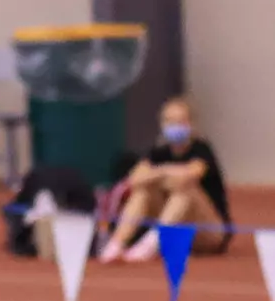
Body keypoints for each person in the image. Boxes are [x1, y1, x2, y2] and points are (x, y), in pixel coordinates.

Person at [98, 97, 231, 264]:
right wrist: (164, 173)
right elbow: (134, 179)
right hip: (177, 228)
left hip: (208, 231)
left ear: (190, 124)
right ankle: (117, 243)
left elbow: (189, 174)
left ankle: (153, 242)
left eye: (180, 121)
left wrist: (158, 173)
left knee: (185, 189)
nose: (175, 126)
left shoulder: (201, 149)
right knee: (143, 191)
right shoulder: (159, 152)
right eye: (170, 121)